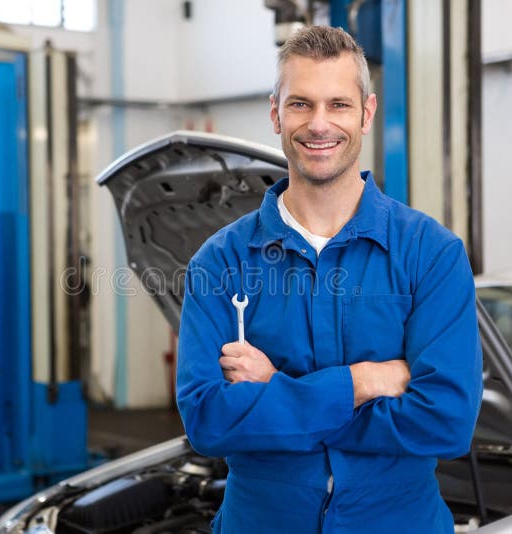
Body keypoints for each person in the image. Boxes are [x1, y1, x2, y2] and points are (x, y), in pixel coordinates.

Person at [176, 25, 482, 533]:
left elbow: (446, 421)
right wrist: (363, 381)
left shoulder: (432, 254)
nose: (319, 124)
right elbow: (208, 421)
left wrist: (277, 390)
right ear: (275, 112)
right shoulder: (220, 262)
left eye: (338, 104)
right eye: (300, 104)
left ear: (366, 113)